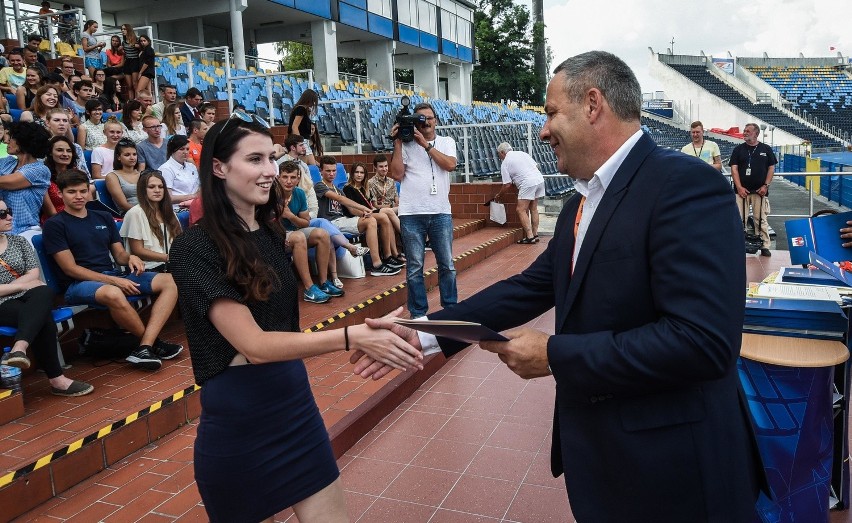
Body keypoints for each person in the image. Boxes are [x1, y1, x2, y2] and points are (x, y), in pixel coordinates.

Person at [358, 50, 767, 523]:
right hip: (603, 462)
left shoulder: (685, 186)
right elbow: (529, 287)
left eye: (552, 113)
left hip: (676, 471)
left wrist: (555, 355)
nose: (543, 129)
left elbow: (703, 343)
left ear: (593, 104)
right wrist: (426, 330)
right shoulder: (578, 205)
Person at [168, 114, 421, 523]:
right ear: (218, 167)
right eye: (254, 159)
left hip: (295, 407)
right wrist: (352, 336)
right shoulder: (193, 248)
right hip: (240, 420)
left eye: (271, 157)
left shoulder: (271, 234)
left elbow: (281, 330)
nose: (269, 170)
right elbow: (255, 345)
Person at [43, 169, 183, 371]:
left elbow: (119, 255)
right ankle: (153, 344)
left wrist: (131, 257)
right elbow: (71, 269)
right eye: (72, 192)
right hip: (78, 285)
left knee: (170, 280)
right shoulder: (55, 225)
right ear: (61, 194)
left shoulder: (102, 217)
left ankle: (144, 346)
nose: (79, 196)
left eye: (83, 191)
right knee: (114, 292)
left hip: (112, 275)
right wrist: (115, 281)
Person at [0, 198, 94, 397]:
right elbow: (29, 280)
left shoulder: (19, 241)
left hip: (30, 296)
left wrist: (19, 285)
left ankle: (19, 347)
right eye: (2, 214)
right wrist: (23, 285)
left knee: (44, 291)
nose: (9, 216)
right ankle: (57, 380)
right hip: (3, 304)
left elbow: (34, 273)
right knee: (42, 316)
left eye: (8, 211)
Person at [389, 101, 458, 318]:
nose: (425, 122)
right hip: (411, 213)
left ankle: (451, 309)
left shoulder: (446, 141)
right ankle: (418, 314)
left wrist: (425, 145)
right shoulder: (406, 145)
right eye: (421, 119)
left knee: (446, 264)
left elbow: (450, 165)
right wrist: (398, 143)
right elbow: (397, 174)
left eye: (429, 118)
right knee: (415, 267)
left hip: (440, 212)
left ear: (436, 120)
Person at [314, 155, 401, 277]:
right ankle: (377, 265)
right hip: (330, 223)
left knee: (372, 219)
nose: (331, 173)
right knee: (371, 222)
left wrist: (363, 213)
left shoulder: (338, 189)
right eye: (328, 170)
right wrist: (363, 208)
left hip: (343, 220)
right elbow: (340, 199)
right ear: (321, 171)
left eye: (334, 170)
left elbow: (350, 209)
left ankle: (384, 258)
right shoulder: (319, 186)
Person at [278, 160, 343, 302]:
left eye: (293, 177)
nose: (289, 181)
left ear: (298, 179)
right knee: (299, 237)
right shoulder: (271, 194)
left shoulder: (299, 193)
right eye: (285, 177)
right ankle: (309, 289)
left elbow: (305, 222)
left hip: (295, 231)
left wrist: (290, 216)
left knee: (322, 234)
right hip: (276, 234)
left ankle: (324, 283)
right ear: (278, 177)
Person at [730, 122, 777, 257]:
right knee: (739, 219)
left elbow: (771, 168)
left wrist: (765, 186)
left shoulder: (766, 149)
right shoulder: (738, 149)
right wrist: (739, 187)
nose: (744, 133)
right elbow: (734, 169)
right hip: (741, 192)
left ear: (756, 133)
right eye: (744, 130)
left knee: (760, 219)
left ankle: (764, 245)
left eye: (748, 131)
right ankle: (739, 244)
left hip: (759, 192)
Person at [120, 169, 181, 272]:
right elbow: (138, 250)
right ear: (143, 190)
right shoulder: (135, 213)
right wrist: (168, 258)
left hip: (172, 264)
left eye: (161, 187)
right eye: (151, 187)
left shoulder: (170, 212)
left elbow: (180, 240)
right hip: (148, 267)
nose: (157, 190)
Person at [0, 122, 51, 238]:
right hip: (3, 233)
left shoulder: (40, 170)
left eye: (12, 138)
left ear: (24, 142)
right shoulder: (7, 162)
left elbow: (8, 182)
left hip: (25, 232)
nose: (7, 141)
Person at [343, 162, 403, 260]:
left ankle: (392, 254)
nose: (359, 175)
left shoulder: (364, 188)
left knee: (388, 214)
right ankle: (393, 252)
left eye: (361, 173)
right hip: (359, 217)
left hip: (369, 212)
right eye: (356, 172)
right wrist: (366, 212)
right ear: (352, 173)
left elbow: (370, 205)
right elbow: (352, 210)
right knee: (387, 213)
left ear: (365, 174)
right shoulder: (348, 188)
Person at [494, 142, 545, 243]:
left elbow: (507, 184)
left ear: (502, 152)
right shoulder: (522, 153)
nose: (499, 156)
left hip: (528, 183)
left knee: (520, 210)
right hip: (539, 179)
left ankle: (530, 237)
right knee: (533, 208)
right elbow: (536, 166)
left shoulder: (505, 162)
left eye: (499, 154)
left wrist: (499, 195)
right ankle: (535, 234)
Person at [159, 135, 199, 214]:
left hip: (195, 206)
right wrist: (193, 196)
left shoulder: (191, 166)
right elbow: (167, 198)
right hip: (177, 210)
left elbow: (198, 187)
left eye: (187, 149)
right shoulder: (166, 169)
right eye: (181, 149)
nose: (186, 152)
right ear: (173, 150)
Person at [41, 135, 77, 221]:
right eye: (59, 150)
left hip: (79, 217)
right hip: (56, 221)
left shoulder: (77, 174)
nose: (65, 154)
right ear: (50, 152)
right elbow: (50, 212)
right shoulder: (43, 176)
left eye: (69, 151)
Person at [105, 138, 140, 212]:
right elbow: (123, 205)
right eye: (127, 155)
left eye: (134, 154)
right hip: (129, 214)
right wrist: (144, 213)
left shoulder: (142, 174)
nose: (132, 158)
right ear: (118, 157)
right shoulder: (112, 176)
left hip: (149, 213)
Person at [288, 88, 319, 165]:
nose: (314, 103)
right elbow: (294, 127)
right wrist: (300, 143)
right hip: (302, 140)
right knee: (303, 166)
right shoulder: (301, 109)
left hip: (304, 141)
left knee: (311, 166)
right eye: (313, 100)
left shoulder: (301, 109)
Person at [121, 24, 140, 100]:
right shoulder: (124, 42)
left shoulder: (137, 40)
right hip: (128, 61)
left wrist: (137, 46)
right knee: (129, 85)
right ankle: (131, 100)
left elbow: (142, 49)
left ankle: (137, 99)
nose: (122, 31)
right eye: (122, 29)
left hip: (135, 61)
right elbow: (124, 53)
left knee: (135, 83)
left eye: (124, 29)